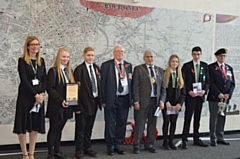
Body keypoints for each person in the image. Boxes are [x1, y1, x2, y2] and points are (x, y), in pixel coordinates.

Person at [13, 36, 46, 159]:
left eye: (37, 44)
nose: (35, 46)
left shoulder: (41, 61)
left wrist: (42, 94)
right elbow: (25, 81)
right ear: (27, 46)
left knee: (34, 125)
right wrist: (36, 95)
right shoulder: (22, 61)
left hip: (38, 99)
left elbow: (44, 79)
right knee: (22, 125)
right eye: (32, 44)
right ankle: (25, 154)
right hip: (26, 97)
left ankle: (31, 153)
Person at [101, 45, 132, 156]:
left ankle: (118, 145)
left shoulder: (128, 65)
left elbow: (130, 82)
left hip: (124, 99)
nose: (120, 53)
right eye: (118, 51)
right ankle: (110, 146)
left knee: (121, 123)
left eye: (122, 51)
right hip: (111, 99)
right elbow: (102, 84)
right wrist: (103, 100)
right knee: (110, 123)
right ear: (113, 53)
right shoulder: (106, 65)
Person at [132, 51, 166, 154]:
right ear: (144, 58)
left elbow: (163, 89)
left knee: (152, 123)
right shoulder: (138, 69)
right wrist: (136, 101)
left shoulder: (159, 70)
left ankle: (149, 144)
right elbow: (135, 87)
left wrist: (162, 101)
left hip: (155, 102)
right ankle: (136, 145)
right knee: (140, 124)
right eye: (147, 57)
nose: (150, 59)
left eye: (151, 57)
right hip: (142, 102)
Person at [46, 48, 75, 159]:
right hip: (56, 106)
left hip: (67, 106)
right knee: (53, 129)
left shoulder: (69, 71)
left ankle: (57, 151)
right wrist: (61, 100)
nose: (66, 59)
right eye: (63, 57)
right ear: (58, 57)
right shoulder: (53, 71)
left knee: (59, 129)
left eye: (67, 57)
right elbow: (50, 88)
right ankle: (50, 153)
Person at [73, 47, 102, 158]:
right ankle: (79, 150)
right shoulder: (79, 70)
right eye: (88, 55)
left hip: (94, 102)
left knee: (89, 127)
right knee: (81, 128)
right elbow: (75, 90)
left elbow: (99, 86)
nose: (90, 57)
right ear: (84, 56)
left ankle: (87, 147)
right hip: (82, 104)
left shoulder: (96, 68)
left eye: (92, 55)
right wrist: (77, 107)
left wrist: (100, 101)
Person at [181, 46, 210, 149]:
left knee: (197, 118)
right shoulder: (186, 66)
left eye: (198, 54)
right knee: (188, 118)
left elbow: (208, 81)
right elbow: (183, 81)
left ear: (201, 54)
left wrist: (204, 91)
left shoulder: (205, 66)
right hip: (191, 97)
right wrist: (189, 91)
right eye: (194, 54)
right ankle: (184, 139)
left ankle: (196, 138)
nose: (196, 56)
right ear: (192, 54)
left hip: (200, 97)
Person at [207, 48, 235, 146]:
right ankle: (213, 138)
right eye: (220, 56)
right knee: (214, 118)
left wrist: (229, 94)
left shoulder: (229, 68)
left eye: (224, 56)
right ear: (216, 57)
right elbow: (210, 82)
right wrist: (218, 93)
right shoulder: (211, 68)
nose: (222, 58)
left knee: (222, 118)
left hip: (225, 98)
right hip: (215, 97)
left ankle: (220, 137)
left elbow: (232, 84)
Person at [162, 54, 186, 150]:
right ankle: (165, 141)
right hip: (167, 103)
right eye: (173, 61)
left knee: (173, 122)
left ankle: (171, 140)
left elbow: (183, 91)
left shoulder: (181, 74)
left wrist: (180, 103)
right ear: (169, 62)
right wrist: (166, 101)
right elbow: (163, 90)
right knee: (166, 121)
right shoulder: (164, 73)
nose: (174, 63)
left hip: (176, 104)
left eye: (176, 61)